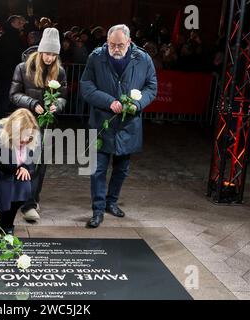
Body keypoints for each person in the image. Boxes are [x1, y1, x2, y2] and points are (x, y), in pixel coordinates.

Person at [80, 24, 157, 228]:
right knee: (98, 169)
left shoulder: (143, 59)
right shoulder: (96, 57)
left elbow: (151, 86)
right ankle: (97, 210)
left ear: (129, 42)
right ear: (107, 42)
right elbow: (86, 86)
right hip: (102, 123)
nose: (115, 48)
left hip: (128, 124)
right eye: (111, 44)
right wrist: (108, 101)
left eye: (120, 45)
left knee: (122, 169)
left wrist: (137, 104)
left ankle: (111, 202)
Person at [9, 27, 67, 222]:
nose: (49, 58)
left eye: (53, 54)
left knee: (41, 164)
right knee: (24, 161)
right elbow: (14, 94)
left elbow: (64, 97)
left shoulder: (60, 72)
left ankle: (31, 202)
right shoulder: (23, 68)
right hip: (26, 121)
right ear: (40, 51)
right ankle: (22, 198)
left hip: (47, 124)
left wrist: (56, 106)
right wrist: (33, 103)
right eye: (47, 53)